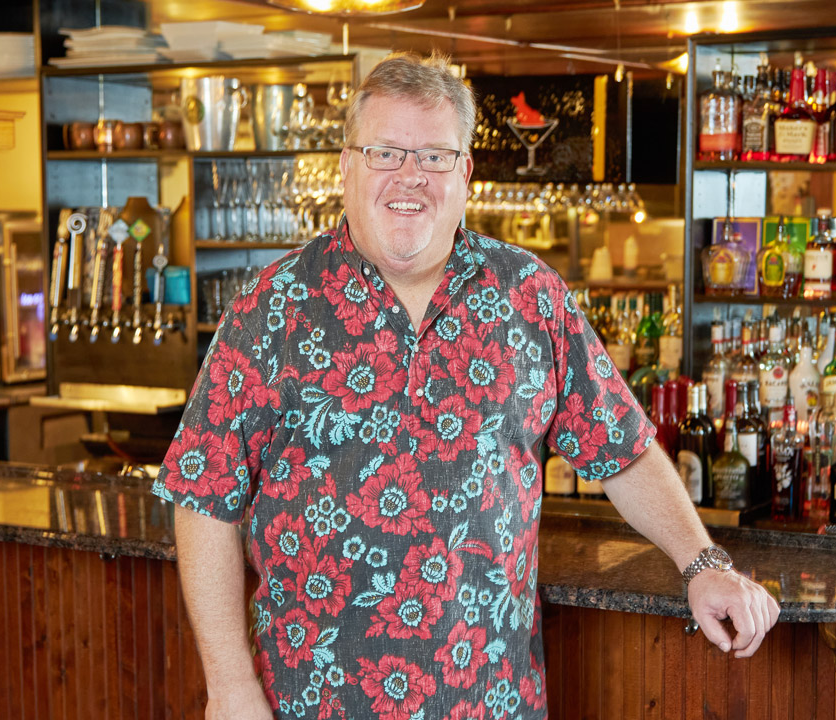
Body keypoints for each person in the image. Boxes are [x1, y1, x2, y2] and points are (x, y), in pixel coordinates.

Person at [154, 51, 779, 720]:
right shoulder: (269, 308)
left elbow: (620, 449)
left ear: (466, 174)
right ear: (346, 165)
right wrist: (228, 684)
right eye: (386, 153)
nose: (409, 176)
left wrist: (701, 563)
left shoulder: (529, 295)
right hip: (310, 700)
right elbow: (203, 496)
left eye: (434, 157)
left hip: (490, 700)